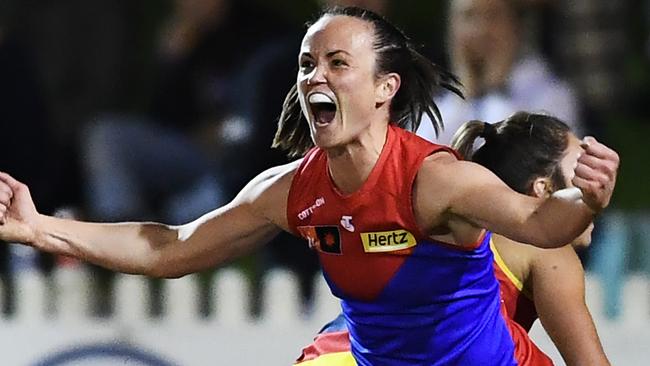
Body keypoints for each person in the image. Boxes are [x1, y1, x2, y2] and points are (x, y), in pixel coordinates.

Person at [0, 7, 618, 365]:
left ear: (385, 89)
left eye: (337, 64)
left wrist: (583, 198)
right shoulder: (292, 190)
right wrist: (39, 229)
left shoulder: (437, 181)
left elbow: (542, 225)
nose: (314, 76)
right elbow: (171, 247)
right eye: (306, 64)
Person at [295, 112, 610, 366]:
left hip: (329, 352)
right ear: (543, 189)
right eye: (580, 168)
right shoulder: (548, 249)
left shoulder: (453, 224)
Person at [417, 0, 582, 145]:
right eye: (468, 16)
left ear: (516, 26)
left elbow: (507, 158)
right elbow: (423, 157)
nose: (481, 29)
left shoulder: (552, 94)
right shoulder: (441, 101)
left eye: (493, 16)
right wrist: (464, 92)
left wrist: (496, 88)